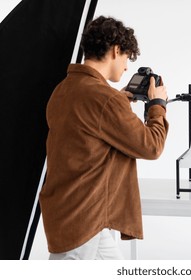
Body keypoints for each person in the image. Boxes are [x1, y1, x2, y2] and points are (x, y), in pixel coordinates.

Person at [39, 16, 169, 260]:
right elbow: (151, 147)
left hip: (77, 212)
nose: (127, 67)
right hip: (81, 219)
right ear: (116, 50)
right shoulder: (103, 99)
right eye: (126, 58)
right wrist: (157, 105)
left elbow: (90, 130)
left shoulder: (65, 89)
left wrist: (118, 101)